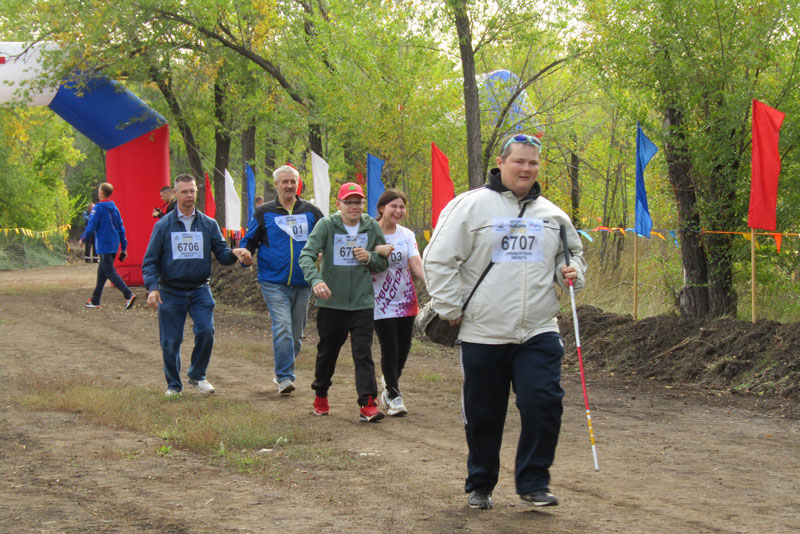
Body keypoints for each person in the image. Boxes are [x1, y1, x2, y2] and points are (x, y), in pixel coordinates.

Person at [422, 133, 586, 510]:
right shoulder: (470, 206)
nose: (526, 168)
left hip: (539, 328)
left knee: (543, 402)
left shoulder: (553, 214)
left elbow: (573, 257)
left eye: (533, 163)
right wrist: (449, 308)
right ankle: (480, 482)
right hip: (483, 330)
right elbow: (438, 258)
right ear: (501, 162)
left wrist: (572, 272)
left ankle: (534, 482)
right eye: (519, 161)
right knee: (484, 413)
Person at [142, 174, 251, 397]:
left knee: (206, 331)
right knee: (171, 341)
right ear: (175, 193)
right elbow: (150, 261)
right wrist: (153, 288)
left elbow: (221, 254)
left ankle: (197, 375)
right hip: (171, 291)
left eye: (192, 191)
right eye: (184, 192)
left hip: (200, 289)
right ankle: (173, 385)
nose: (189, 195)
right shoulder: (163, 225)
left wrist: (235, 253)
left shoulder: (208, 224)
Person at [298, 182, 389, 422]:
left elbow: (382, 264)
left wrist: (369, 257)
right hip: (331, 302)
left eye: (357, 202)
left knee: (363, 353)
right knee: (328, 352)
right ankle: (321, 393)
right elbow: (306, 255)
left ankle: (368, 403)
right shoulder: (327, 226)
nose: (353, 206)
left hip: (362, 302)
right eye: (348, 202)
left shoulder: (371, 227)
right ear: (338, 204)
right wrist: (316, 280)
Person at [239, 165, 324, 395]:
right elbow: (249, 241)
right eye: (284, 182)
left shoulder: (311, 212)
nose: (288, 186)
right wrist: (245, 255)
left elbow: (326, 238)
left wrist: (323, 254)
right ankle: (286, 377)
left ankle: (280, 372)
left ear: (298, 184)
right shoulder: (263, 212)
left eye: (292, 182)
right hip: (272, 280)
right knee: (283, 328)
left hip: (303, 280)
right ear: (276, 185)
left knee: (296, 336)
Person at [371, 189, 424, 416]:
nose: (398, 211)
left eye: (402, 207)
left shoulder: (407, 235)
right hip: (379, 300)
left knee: (403, 348)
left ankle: (388, 384)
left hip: (405, 299)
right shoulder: (370, 233)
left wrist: (432, 283)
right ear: (382, 208)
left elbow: (415, 262)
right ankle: (393, 395)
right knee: (389, 347)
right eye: (394, 206)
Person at [80, 183, 136, 309]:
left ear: (101, 193)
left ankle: (128, 294)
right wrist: (124, 247)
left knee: (110, 272)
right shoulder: (115, 209)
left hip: (104, 245)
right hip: (114, 244)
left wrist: (83, 238)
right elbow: (121, 228)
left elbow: (92, 225)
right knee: (102, 273)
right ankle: (95, 299)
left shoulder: (98, 208)